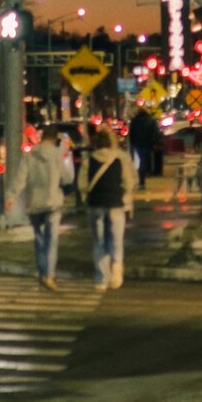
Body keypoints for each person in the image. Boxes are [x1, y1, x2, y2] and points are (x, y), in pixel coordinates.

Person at [4, 128, 65, 291]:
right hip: (52, 203)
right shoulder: (57, 154)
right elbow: (67, 178)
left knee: (39, 239)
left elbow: (20, 179)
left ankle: (41, 272)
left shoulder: (29, 155)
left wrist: (11, 197)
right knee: (51, 241)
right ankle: (49, 276)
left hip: (34, 203)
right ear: (54, 140)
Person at [79, 123, 137, 290]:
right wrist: (125, 197)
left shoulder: (89, 161)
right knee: (116, 240)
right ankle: (117, 270)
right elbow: (129, 182)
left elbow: (82, 184)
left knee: (99, 241)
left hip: (95, 205)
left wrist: (86, 196)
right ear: (112, 143)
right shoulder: (119, 160)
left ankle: (101, 279)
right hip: (115, 206)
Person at [127, 106, 162, 190]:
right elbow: (156, 132)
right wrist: (156, 141)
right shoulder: (151, 120)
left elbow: (131, 133)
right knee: (144, 160)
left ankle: (142, 179)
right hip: (148, 143)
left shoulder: (134, 121)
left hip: (138, 144)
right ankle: (143, 177)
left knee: (140, 160)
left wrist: (132, 143)